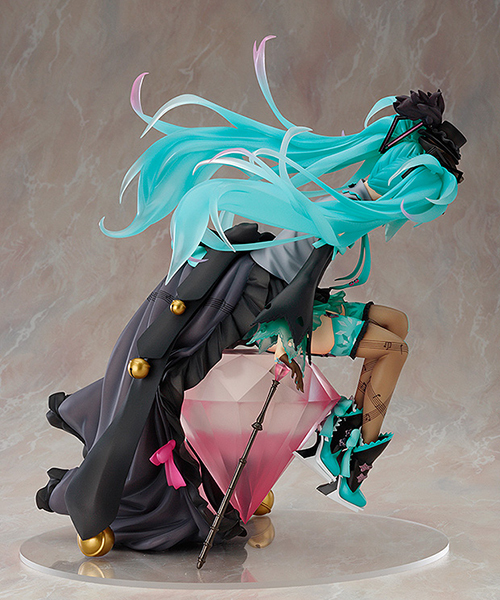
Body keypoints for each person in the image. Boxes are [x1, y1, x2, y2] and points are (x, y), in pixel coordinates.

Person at [36, 37, 466, 552]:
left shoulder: (355, 200)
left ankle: (343, 433)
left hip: (281, 300)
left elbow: (325, 246)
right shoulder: (347, 208)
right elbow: (312, 259)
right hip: (265, 322)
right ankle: (347, 457)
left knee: (398, 323)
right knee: (391, 347)